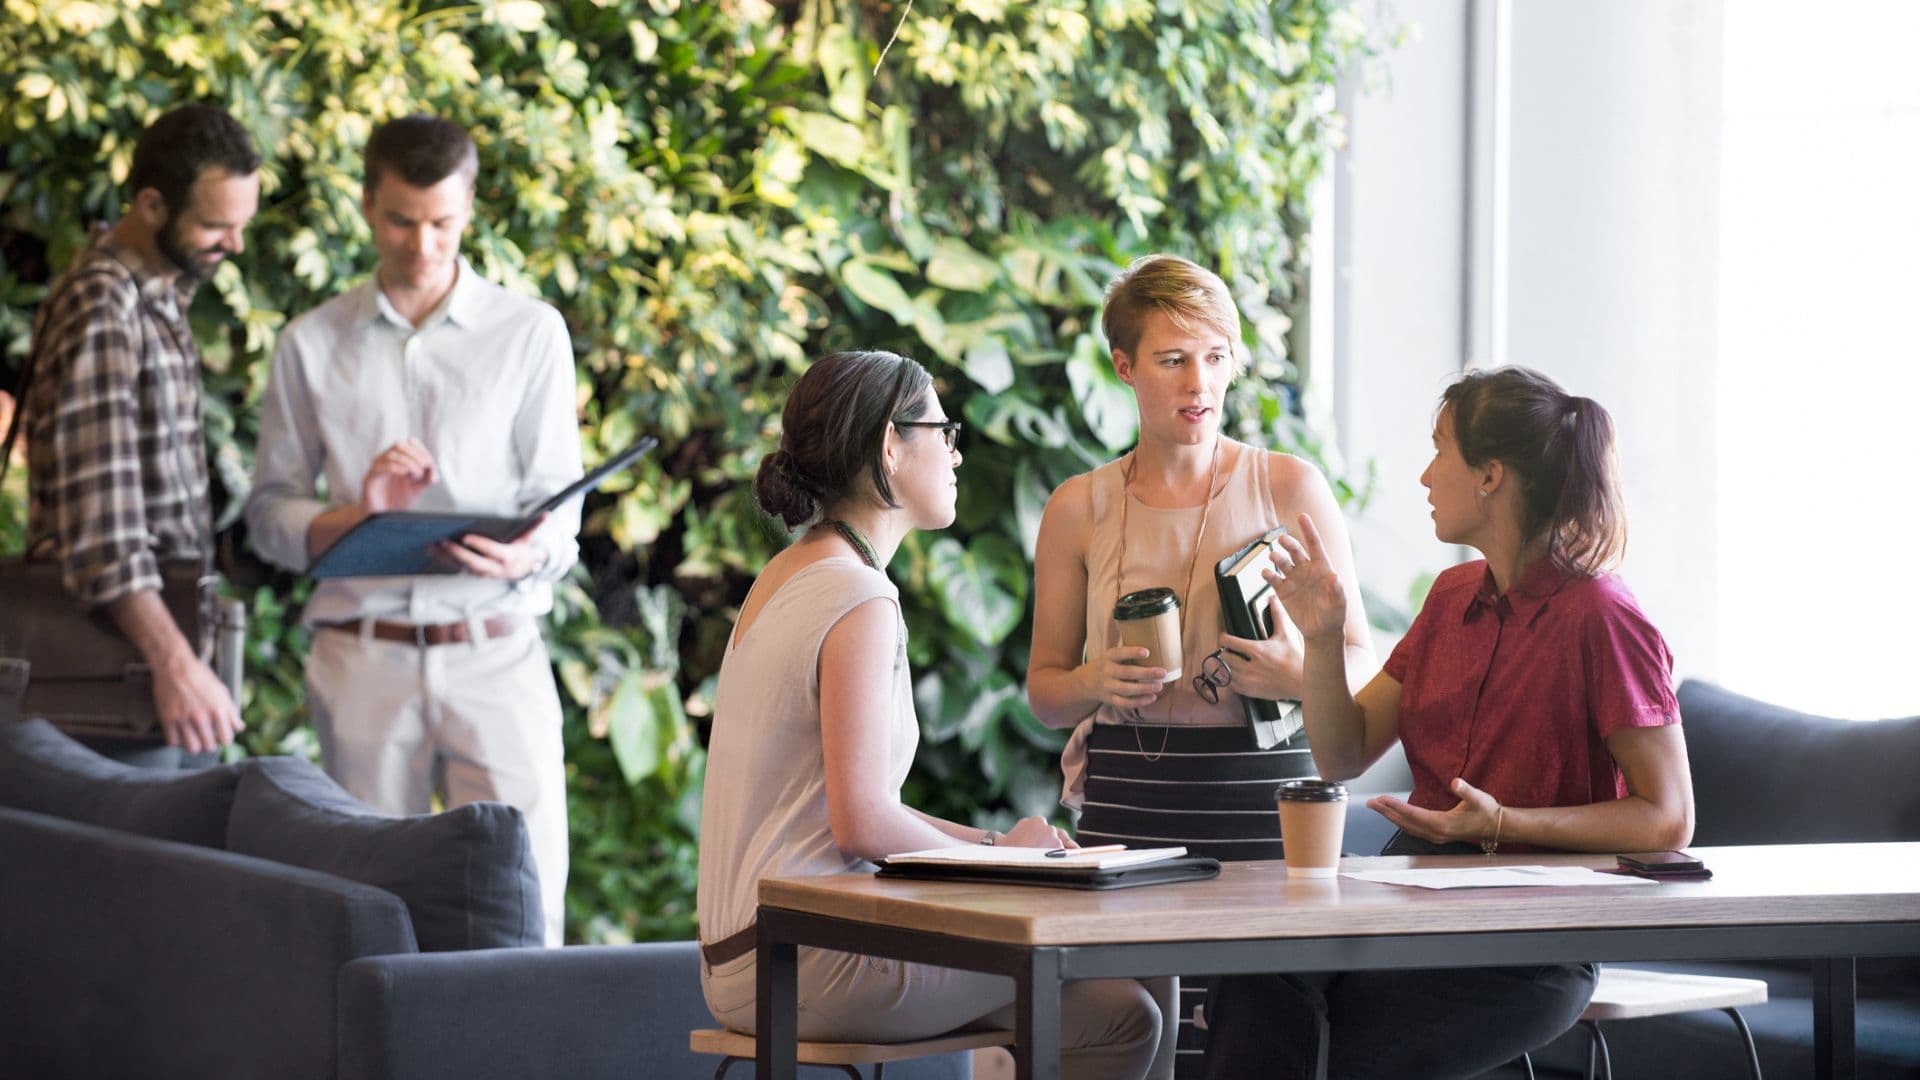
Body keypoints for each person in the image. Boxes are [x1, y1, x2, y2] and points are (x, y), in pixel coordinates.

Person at [1202, 366, 1697, 1079]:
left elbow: (1669, 818)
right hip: (1413, 901)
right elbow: (1345, 753)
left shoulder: (1603, 617)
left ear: (1490, 475)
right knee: (1254, 971)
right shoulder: (1449, 596)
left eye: (1440, 452)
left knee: (1327, 1048)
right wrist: (1322, 638)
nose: (1426, 476)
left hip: (1527, 944)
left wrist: (1502, 824)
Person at [696, 350, 1164, 1079]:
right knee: (1129, 1003)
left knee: (1102, 989)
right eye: (942, 432)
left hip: (751, 956)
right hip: (805, 961)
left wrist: (1003, 851)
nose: (955, 452)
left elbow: (854, 813)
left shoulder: (788, 574)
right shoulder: (857, 596)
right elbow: (862, 824)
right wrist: (1007, 856)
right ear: (891, 443)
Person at [1026, 254, 1377, 1073]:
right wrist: (1092, 682)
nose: (1200, 382)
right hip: (1129, 804)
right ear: (1124, 366)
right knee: (1135, 1042)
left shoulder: (1289, 485)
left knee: (1262, 1043)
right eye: (1173, 359)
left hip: (1271, 804)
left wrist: (1297, 672)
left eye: (1216, 357)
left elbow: (1363, 660)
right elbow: (1045, 692)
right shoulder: (1079, 506)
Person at [246, 116, 582, 946]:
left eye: (443, 222)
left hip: (496, 648)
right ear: (367, 205)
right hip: (362, 658)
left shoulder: (530, 332)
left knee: (528, 913)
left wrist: (527, 549)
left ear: (469, 207)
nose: (423, 245)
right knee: (364, 917)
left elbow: (559, 509)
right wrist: (360, 515)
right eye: (401, 221)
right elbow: (268, 517)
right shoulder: (308, 343)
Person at [15, 104, 259, 766]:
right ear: (151, 205)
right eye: (215, 225)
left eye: (242, 224)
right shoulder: (105, 304)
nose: (235, 244)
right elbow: (105, 531)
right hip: (116, 679)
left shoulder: (155, 297)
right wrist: (174, 664)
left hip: (146, 674)